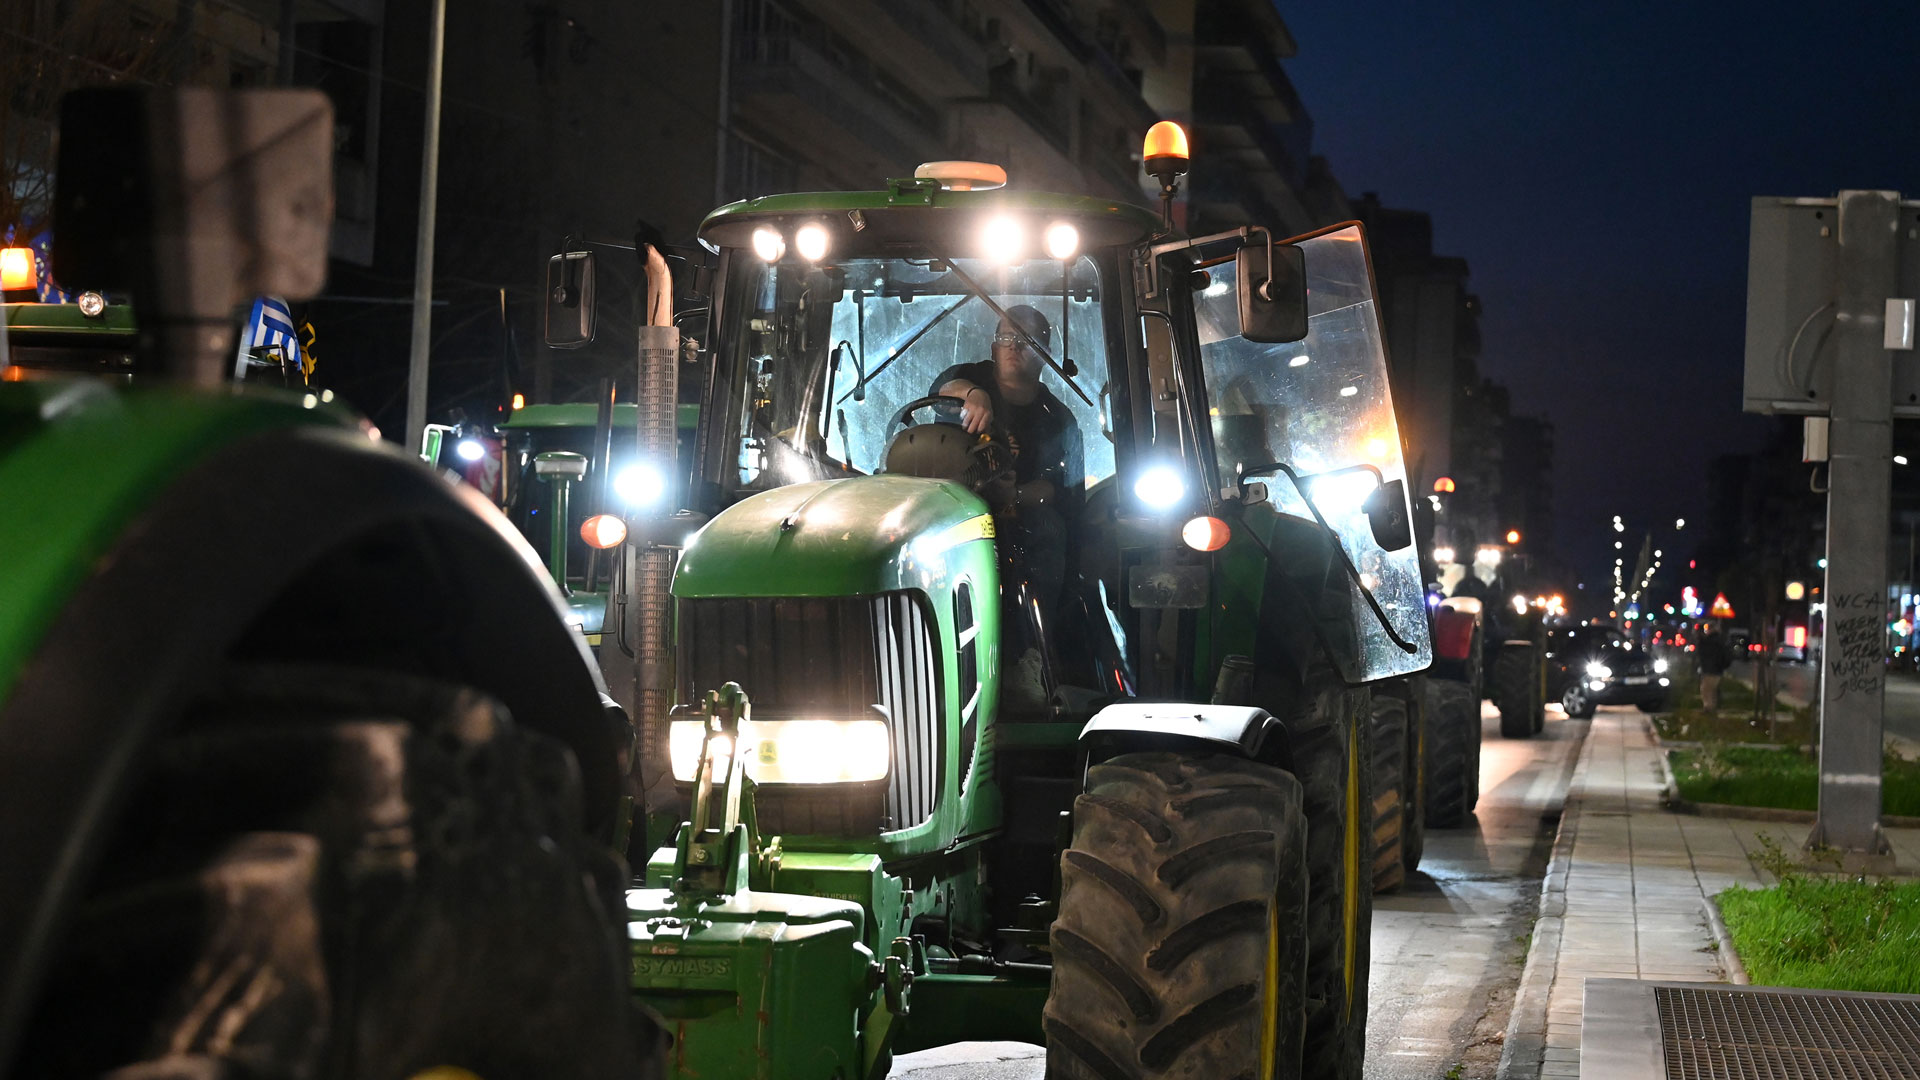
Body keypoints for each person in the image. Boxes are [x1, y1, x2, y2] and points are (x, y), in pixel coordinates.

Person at [931, 305, 1083, 711]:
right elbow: (947, 388)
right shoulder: (971, 380)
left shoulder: (1058, 421)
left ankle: (1028, 658)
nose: (1013, 348)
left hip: (1018, 519)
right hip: (951, 509)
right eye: (1006, 339)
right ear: (993, 348)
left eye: (1027, 341)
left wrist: (1013, 497)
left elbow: (1059, 489)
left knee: (1048, 532)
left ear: (1046, 353)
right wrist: (974, 396)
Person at [1696, 622, 1733, 712]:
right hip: (1717, 669)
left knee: (1706, 689)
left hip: (1711, 669)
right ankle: (1712, 708)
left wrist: (1700, 636)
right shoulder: (1720, 640)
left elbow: (1703, 650)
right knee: (1712, 690)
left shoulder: (1710, 641)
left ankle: (1709, 709)